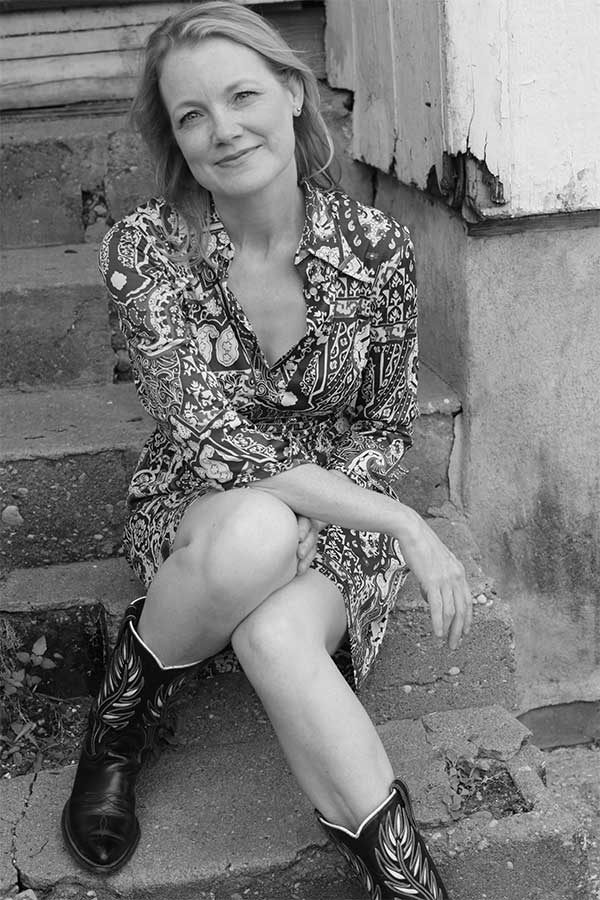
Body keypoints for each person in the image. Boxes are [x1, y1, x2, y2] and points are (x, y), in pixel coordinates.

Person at [61, 3, 472, 897]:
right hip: (203, 504)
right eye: (192, 115)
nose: (223, 129)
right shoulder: (147, 251)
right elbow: (214, 438)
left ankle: (409, 883)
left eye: (242, 94)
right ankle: (120, 723)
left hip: (342, 520)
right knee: (255, 531)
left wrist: (338, 512)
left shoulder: (376, 249)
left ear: (291, 92)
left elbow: (384, 423)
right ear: (174, 139)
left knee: (283, 633)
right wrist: (398, 518)